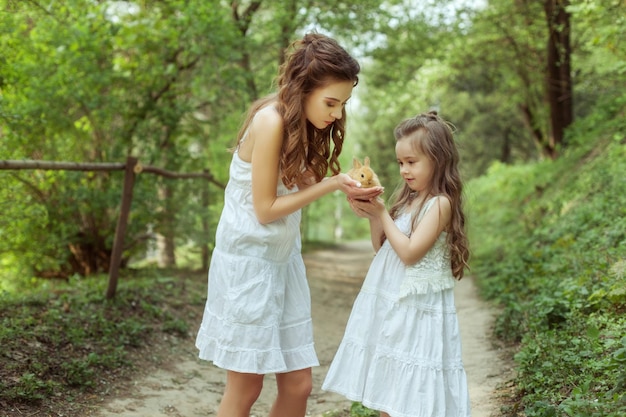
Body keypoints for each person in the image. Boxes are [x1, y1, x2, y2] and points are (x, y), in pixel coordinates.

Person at [195, 33, 383, 417]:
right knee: (246, 387)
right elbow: (265, 209)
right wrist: (330, 184)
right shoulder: (269, 121)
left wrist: (349, 189)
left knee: (298, 386)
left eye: (343, 104)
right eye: (330, 102)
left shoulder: (303, 126)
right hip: (248, 267)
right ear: (303, 88)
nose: (336, 113)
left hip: (283, 263)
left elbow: (297, 187)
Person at [322, 111, 472, 417]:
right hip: (393, 304)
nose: (404, 170)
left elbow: (410, 253)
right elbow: (382, 247)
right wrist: (371, 213)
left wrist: (382, 214)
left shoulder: (439, 203)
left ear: (438, 159)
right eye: (400, 163)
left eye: (412, 162)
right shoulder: (408, 199)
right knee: (389, 388)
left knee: (412, 392)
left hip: (416, 309)